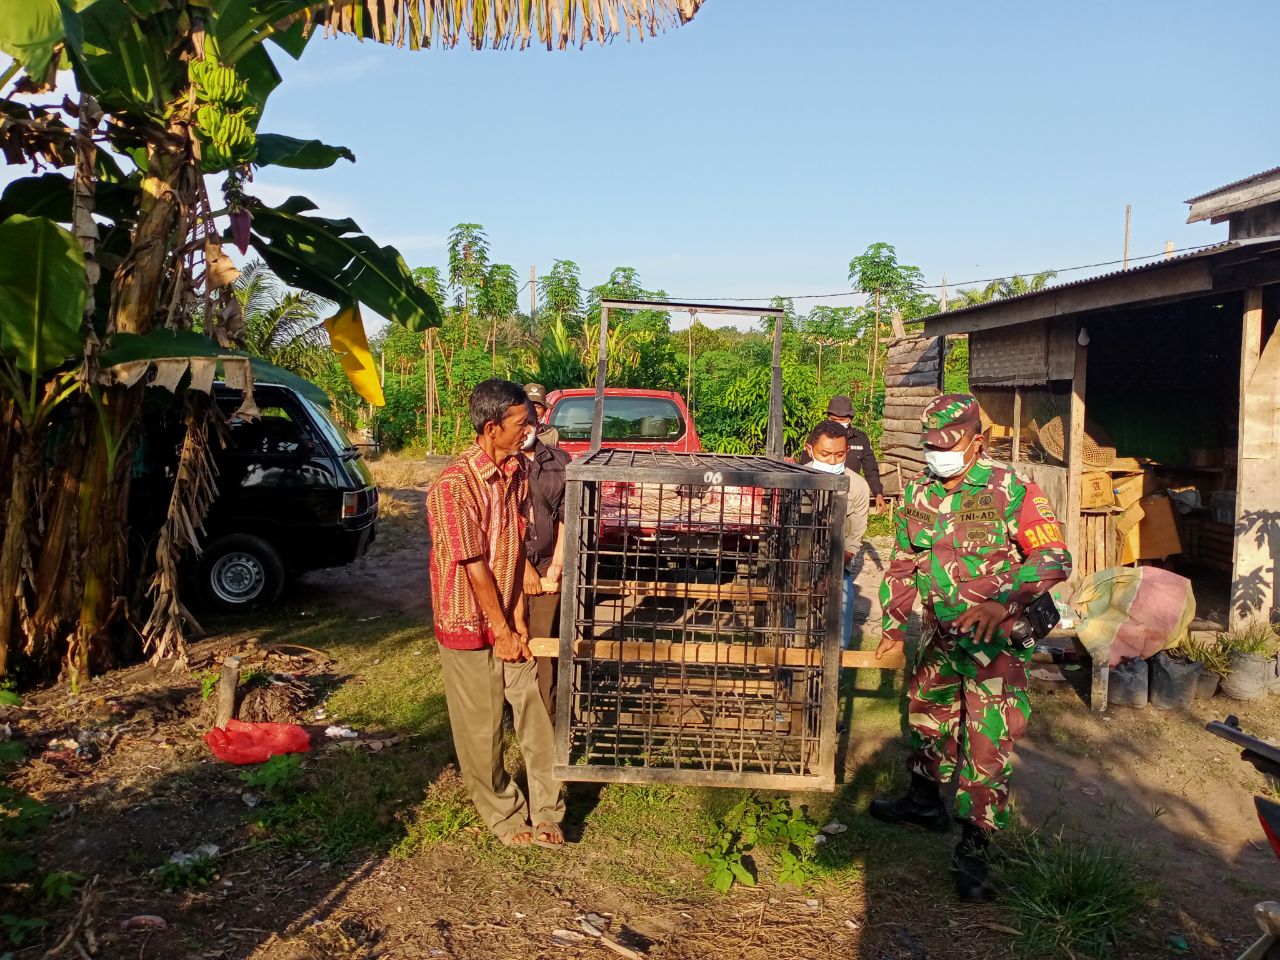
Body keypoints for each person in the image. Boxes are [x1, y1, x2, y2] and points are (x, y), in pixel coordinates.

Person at [871, 393, 1071, 901]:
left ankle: (976, 848)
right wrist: (893, 625)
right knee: (925, 715)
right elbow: (902, 562)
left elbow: (1053, 557)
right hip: (940, 636)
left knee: (986, 744)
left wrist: (1003, 601)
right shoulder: (918, 491)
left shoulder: (1012, 490)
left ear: (976, 440)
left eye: (948, 444)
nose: (937, 454)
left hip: (994, 646)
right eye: (930, 444)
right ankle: (923, 803)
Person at [425, 378, 565, 849]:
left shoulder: (519, 472)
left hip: (510, 615)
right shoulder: (453, 487)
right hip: (470, 621)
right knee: (482, 729)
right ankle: (504, 815)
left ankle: (548, 808)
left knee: (533, 715)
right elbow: (475, 567)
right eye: (522, 423)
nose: (531, 429)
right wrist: (501, 629)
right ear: (491, 428)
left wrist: (520, 618)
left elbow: (514, 547)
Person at [520, 400, 570, 721]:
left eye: (529, 421)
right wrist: (521, 567)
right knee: (513, 637)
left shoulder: (559, 461)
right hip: (509, 565)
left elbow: (567, 514)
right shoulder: (502, 463)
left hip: (547, 565)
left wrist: (558, 563)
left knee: (545, 642)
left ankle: (548, 716)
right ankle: (512, 709)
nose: (523, 430)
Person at [802, 421, 870, 649]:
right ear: (809, 449)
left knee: (837, 636)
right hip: (796, 565)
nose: (832, 461)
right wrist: (799, 573)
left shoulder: (858, 486)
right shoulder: (796, 482)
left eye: (839, 455)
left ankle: (834, 675)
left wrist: (830, 575)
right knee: (794, 632)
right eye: (825, 454)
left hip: (838, 567)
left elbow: (853, 541)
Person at [799, 395, 886, 512]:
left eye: (842, 420)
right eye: (834, 420)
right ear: (828, 418)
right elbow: (805, 464)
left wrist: (878, 493)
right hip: (816, 493)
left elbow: (871, 468)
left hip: (847, 495)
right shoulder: (819, 435)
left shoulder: (860, 438)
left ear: (850, 419)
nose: (838, 423)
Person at [524, 382, 560, 447]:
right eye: (530, 406)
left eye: (538, 407)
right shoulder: (514, 431)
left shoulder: (551, 433)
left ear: (545, 410)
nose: (534, 411)